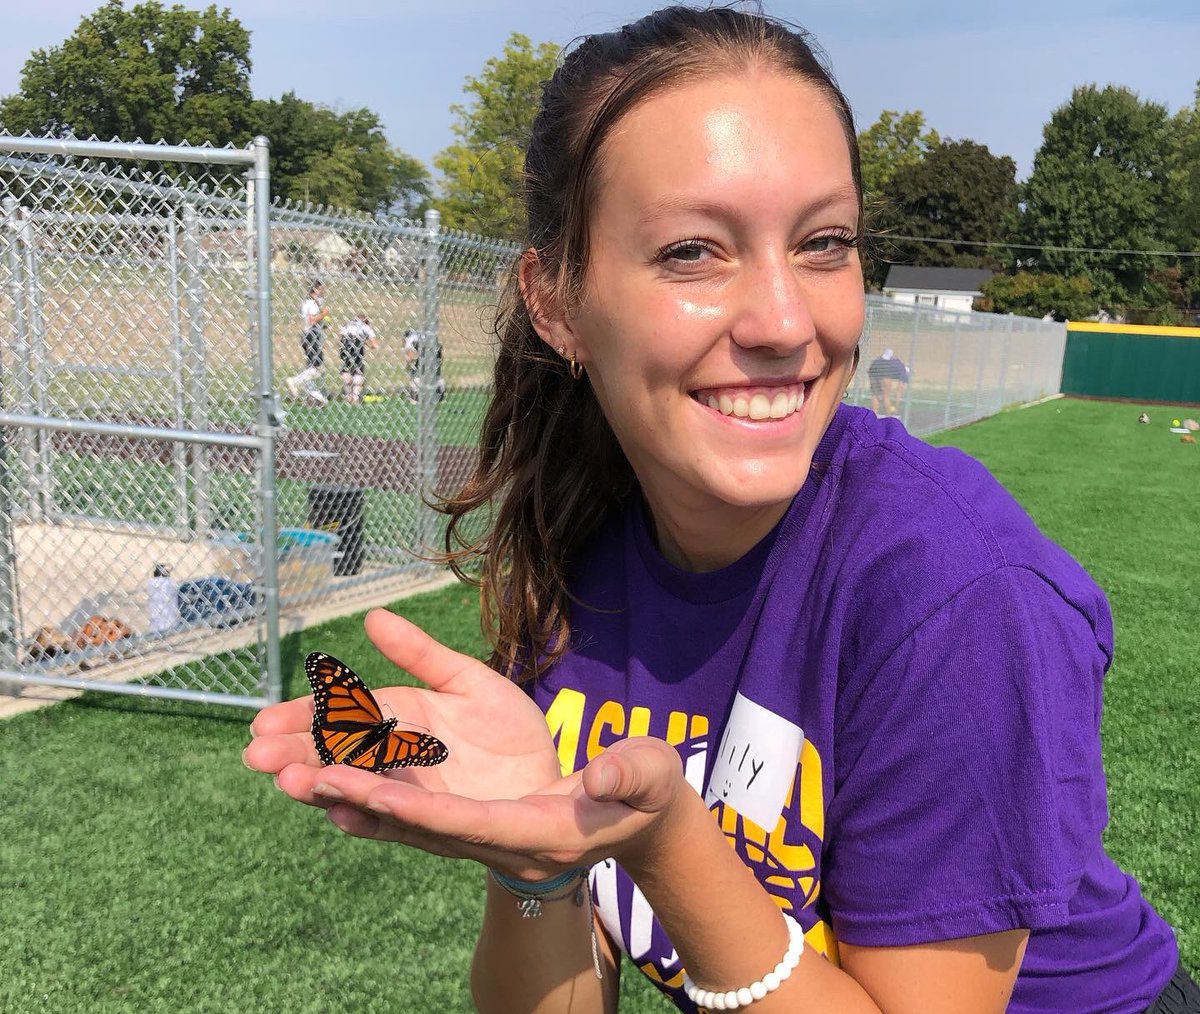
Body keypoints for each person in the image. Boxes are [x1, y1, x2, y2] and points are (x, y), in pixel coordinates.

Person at [245, 8, 1196, 1014]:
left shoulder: (959, 594)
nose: (787, 322)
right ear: (558, 303)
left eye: (824, 243)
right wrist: (537, 864)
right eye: (695, 251)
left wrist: (668, 846)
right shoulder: (585, 540)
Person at [285, 279, 331, 406]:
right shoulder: (311, 303)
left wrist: (323, 322)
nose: (322, 292)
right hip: (311, 336)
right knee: (317, 368)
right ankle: (294, 381)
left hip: (311, 335)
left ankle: (315, 396)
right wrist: (323, 314)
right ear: (314, 290)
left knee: (313, 368)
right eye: (320, 289)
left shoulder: (312, 303)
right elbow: (311, 320)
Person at [338, 313, 379, 404]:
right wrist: (367, 343)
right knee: (358, 371)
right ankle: (355, 397)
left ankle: (348, 396)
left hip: (345, 344)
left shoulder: (347, 325)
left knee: (346, 369)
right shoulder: (365, 327)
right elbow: (374, 344)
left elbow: (340, 338)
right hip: (356, 343)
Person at [403, 327, 446, 402]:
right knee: (436, 375)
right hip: (435, 351)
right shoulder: (422, 334)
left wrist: (408, 365)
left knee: (415, 375)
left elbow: (411, 355)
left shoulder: (409, 339)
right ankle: (440, 395)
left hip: (424, 353)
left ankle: (415, 398)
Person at [867, 347, 909, 416]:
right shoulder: (901, 370)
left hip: (873, 374)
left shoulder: (878, 360)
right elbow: (899, 391)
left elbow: (870, 371)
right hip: (884, 375)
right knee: (886, 395)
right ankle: (889, 415)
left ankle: (874, 414)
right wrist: (897, 406)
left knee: (875, 394)